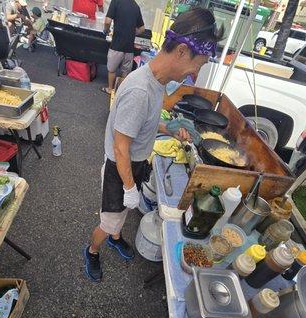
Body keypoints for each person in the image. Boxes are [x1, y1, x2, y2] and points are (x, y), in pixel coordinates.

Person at [84, 7, 224, 282]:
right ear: (182, 51)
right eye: (200, 63)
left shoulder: (157, 81)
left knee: (121, 214)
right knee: (109, 219)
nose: (196, 72)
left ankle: (115, 236)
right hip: (119, 168)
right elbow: (120, 146)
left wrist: (168, 129)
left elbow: (139, 127)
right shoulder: (140, 90)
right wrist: (129, 187)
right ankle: (92, 249)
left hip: (131, 163)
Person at [101, 0, 145, 94]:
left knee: (112, 69)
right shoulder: (136, 6)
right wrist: (132, 33)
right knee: (125, 72)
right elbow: (142, 29)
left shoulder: (116, 1)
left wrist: (106, 30)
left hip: (117, 44)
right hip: (129, 47)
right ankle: (120, 92)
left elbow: (107, 21)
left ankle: (110, 89)